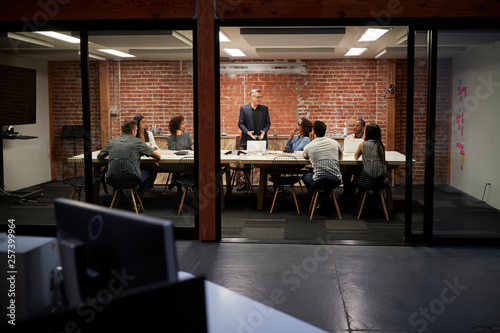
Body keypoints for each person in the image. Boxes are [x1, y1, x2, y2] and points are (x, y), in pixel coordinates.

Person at [97, 119, 161, 199]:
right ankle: (136, 198)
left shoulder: (112, 142)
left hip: (111, 179)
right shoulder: (137, 142)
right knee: (150, 174)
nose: (136, 132)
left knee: (119, 176)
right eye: (136, 130)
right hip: (131, 179)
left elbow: (99, 156)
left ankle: (123, 198)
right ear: (132, 131)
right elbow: (158, 156)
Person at [302, 120, 343, 211]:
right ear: (325, 131)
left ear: (313, 131)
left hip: (319, 182)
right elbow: (340, 153)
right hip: (336, 180)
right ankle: (324, 196)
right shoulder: (334, 142)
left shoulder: (309, 146)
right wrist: (338, 161)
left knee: (305, 176)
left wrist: (313, 142)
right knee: (327, 179)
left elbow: (305, 156)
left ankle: (320, 197)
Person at [354, 123, 389, 191]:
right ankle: (378, 198)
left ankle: (359, 199)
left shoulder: (363, 144)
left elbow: (356, 157)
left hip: (366, 182)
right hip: (381, 181)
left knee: (357, 176)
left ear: (367, 133)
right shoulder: (382, 145)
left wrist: (364, 141)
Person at [134, 115, 159, 190]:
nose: (145, 124)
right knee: (148, 171)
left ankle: (147, 187)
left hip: (148, 160)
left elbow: (155, 146)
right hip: (137, 161)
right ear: (138, 124)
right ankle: (144, 187)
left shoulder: (149, 134)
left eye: (145, 121)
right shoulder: (134, 135)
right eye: (143, 122)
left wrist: (151, 149)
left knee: (155, 167)